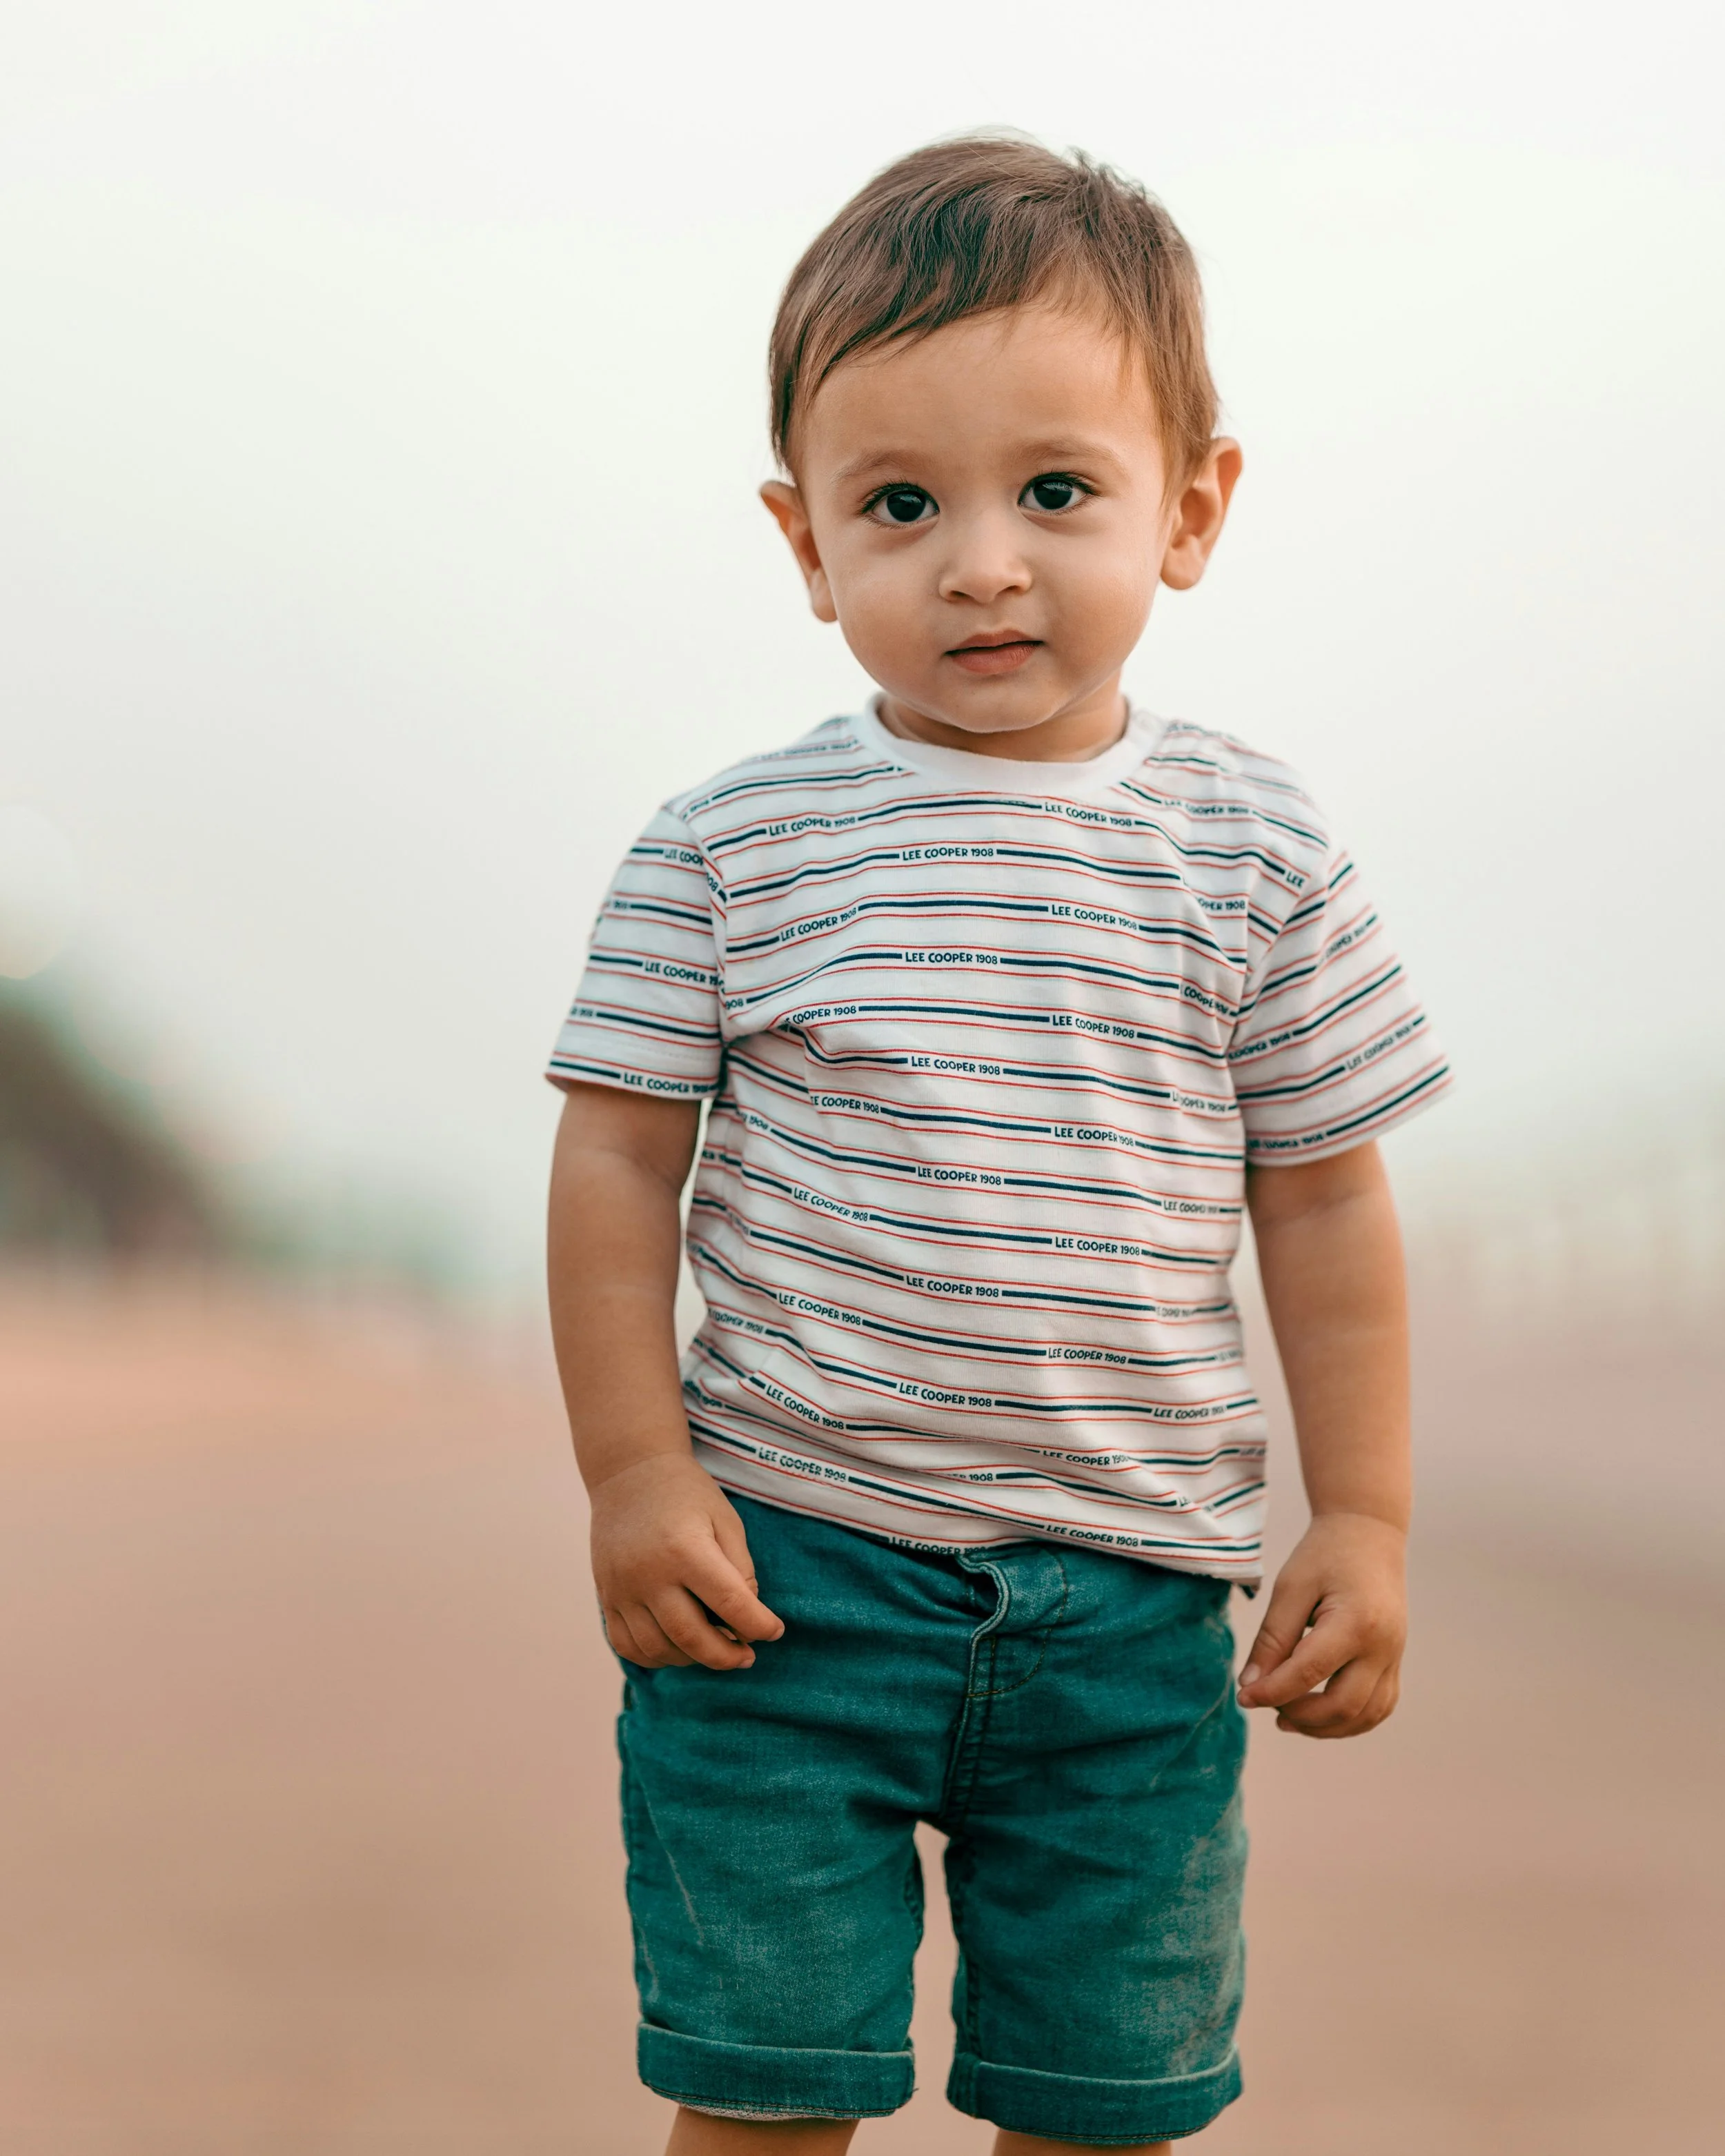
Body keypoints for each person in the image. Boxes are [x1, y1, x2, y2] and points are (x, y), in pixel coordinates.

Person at [544, 135, 1450, 2155]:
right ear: (802, 544)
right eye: (898, 503)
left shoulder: (1256, 848)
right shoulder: (726, 844)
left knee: (1104, 2102)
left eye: (1055, 490)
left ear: (1190, 508)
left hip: (1133, 1608)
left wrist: (1363, 1516)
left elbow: (1315, 1193)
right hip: (782, 1580)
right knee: (763, 2087)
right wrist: (631, 1473)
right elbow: (619, 1164)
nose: (980, 560)